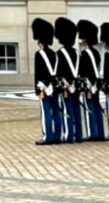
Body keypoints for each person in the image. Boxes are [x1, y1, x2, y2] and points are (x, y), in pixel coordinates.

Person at [31, 17, 60, 145]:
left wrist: (38, 88)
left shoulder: (39, 54)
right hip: (54, 85)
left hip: (44, 86)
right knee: (56, 112)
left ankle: (47, 136)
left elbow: (38, 73)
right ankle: (57, 136)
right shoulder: (55, 54)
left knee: (46, 112)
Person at [54, 17, 82, 143]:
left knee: (67, 109)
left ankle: (69, 135)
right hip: (76, 84)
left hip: (66, 85)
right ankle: (79, 135)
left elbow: (59, 72)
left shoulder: (60, 53)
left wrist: (60, 85)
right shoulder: (77, 52)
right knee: (76, 109)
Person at [76, 19, 105, 141]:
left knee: (90, 109)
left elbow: (83, 71)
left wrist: (86, 84)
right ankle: (100, 132)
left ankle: (92, 133)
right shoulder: (96, 53)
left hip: (89, 84)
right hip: (96, 83)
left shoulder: (85, 53)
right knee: (96, 107)